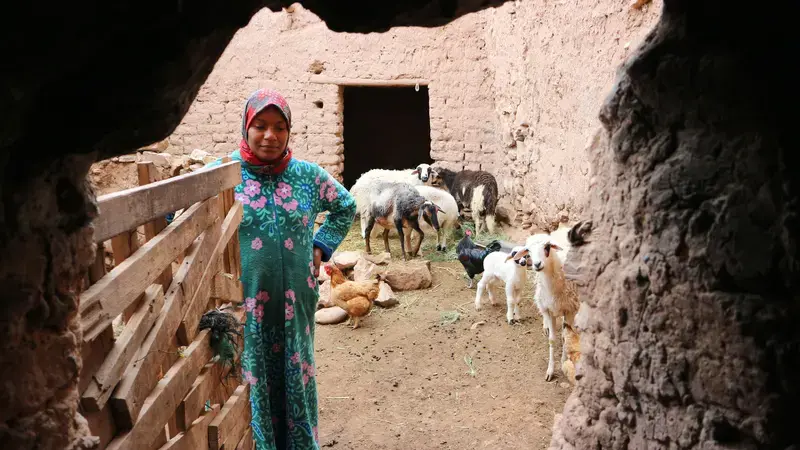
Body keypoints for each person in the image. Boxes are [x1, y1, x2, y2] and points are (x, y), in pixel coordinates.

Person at [206, 88, 356, 449]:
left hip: (296, 301)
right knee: (252, 373)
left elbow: (346, 206)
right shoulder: (223, 175)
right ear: (246, 127)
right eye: (260, 126)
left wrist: (321, 245)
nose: (270, 136)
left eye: (279, 127)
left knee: (296, 371)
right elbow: (176, 212)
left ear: (289, 132)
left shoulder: (307, 176)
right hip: (246, 301)